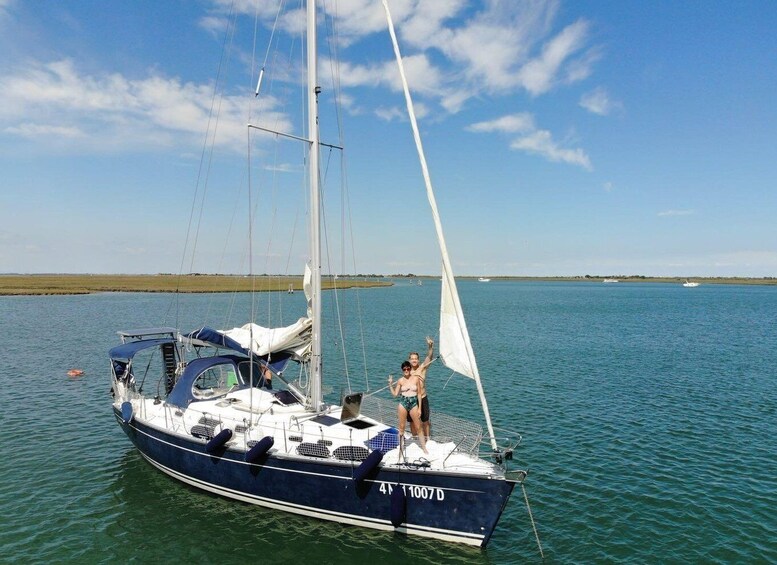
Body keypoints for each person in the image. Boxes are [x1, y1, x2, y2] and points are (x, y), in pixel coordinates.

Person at [388, 361, 427, 454]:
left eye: (408, 368)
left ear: (410, 369)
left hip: (413, 403)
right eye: (404, 369)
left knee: (419, 427)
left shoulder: (416, 379)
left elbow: (419, 394)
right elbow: (395, 394)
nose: (406, 370)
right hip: (403, 403)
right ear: (402, 370)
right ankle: (401, 450)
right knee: (401, 427)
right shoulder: (400, 380)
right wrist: (390, 384)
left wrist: (419, 408)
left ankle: (424, 448)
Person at [408, 336, 434, 439]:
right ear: (409, 360)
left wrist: (430, 347)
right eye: (412, 359)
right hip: (412, 399)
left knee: (425, 421)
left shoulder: (422, 368)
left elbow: (429, 357)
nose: (414, 360)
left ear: (418, 360)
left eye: (416, 359)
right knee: (412, 421)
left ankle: (428, 439)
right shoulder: (407, 371)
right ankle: (415, 439)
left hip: (423, 398)